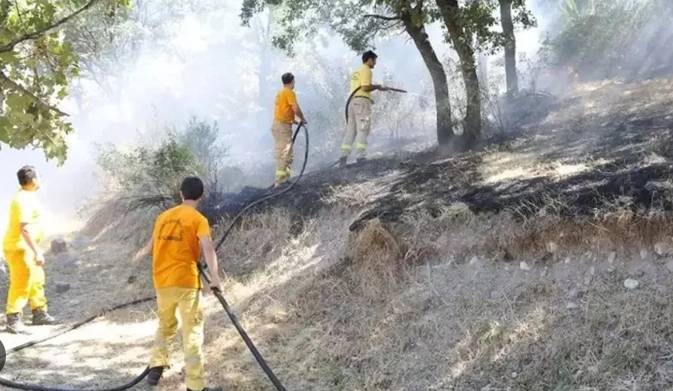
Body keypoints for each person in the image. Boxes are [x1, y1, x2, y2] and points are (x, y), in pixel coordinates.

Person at [139, 177, 223, 391]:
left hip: (162, 281)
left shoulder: (163, 217)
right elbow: (208, 248)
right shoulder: (198, 219)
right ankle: (195, 386)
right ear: (201, 196)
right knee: (192, 331)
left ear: (181, 193)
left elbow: (150, 247)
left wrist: (137, 256)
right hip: (186, 281)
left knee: (165, 325)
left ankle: (156, 366)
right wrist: (215, 278)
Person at [3, 165, 57, 334]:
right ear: (33, 180)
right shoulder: (23, 200)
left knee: (37, 279)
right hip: (20, 247)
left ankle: (39, 312)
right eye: (38, 177)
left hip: (28, 246)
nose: (40, 180)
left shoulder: (28, 196)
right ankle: (13, 318)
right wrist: (37, 251)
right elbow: (24, 228)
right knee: (21, 282)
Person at [339, 50, 389, 167]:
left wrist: (377, 87)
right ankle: (361, 157)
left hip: (352, 102)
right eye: (374, 61)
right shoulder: (366, 70)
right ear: (369, 59)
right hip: (362, 102)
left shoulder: (357, 71)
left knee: (351, 131)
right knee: (363, 129)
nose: (375, 64)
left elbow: (361, 86)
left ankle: (343, 157)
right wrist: (377, 86)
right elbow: (365, 87)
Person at [272, 72, 307, 187]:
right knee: (284, 152)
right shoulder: (289, 92)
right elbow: (295, 108)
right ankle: (279, 181)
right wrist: (302, 118)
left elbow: (283, 112)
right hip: (282, 127)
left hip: (278, 125)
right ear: (291, 81)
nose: (294, 83)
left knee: (287, 152)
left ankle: (285, 178)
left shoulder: (280, 93)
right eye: (294, 81)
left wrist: (295, 122)